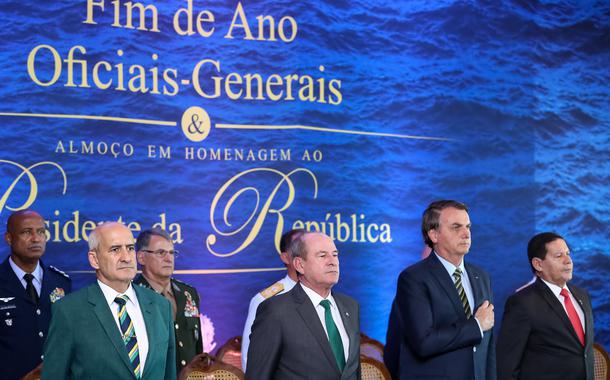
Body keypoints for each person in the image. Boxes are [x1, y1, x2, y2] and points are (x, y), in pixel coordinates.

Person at [41, 222, 176, 380]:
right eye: (115, 249)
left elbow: (168, 374)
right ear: (94, 259)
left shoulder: (160, 305)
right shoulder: (69, 310)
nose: (126, 258)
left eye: (130, 248)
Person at [394, 200, 495, 380]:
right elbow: (424, 342)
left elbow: (488, 346)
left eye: (468, 227)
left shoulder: (481, 276)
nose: (466, 234)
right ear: (433, 234)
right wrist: (476, 326)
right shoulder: (413, 279)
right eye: (456, 227)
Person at [246, 231, 360, 380]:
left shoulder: (350, 306)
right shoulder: (276, 311)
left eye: (335, 254)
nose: (333, 261)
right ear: (300, 265)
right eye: (322, 255)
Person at [497, 232, 595, 380]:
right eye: (559, 256)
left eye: (568, 254)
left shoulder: (583, 296)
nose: (568, 261)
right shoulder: (522, 303)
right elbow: (506, 366)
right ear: (538, 264)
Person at [0, 210, 71, 380]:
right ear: (9, 238)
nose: (36, 238)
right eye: (26, 232)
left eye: (41, 232)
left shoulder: (61, 282)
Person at [133, 228, 202, 374]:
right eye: (160, 253)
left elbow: (197, 348)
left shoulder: (188, 293)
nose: (168, 258)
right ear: (141, 257)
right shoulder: (133, 296)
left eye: (172, 253)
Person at [241, 228, 304, 370]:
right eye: (300, 247)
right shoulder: (265, 300)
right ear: (285, 257)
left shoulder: (326, 297)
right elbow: (251, 358)